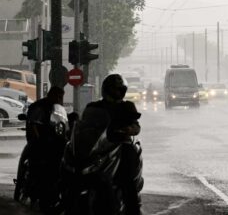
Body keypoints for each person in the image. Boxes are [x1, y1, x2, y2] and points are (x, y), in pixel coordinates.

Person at [62, 74, 143, 215]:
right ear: (106, 89)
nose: (117, 93)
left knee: (127, 178)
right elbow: (83, 123)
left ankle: (133, 210)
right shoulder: (94, 106)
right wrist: (75, 130)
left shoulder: (127, 106)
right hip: (98, 147)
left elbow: (136, 126)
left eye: (119, 90)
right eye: (114, 89)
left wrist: (129, 129)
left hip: (118, 145)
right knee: (67, 165)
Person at [25, 86, 66, 214]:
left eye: (61, 97)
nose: (59, 99)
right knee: (36, 161)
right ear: (51, 95)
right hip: (40, 140)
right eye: (57, 96)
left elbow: (63, 122)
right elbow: (33, 124)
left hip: (55, 140)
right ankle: (32, 185)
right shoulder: (39, 106)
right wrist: (38, 139)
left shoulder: (59, 109)